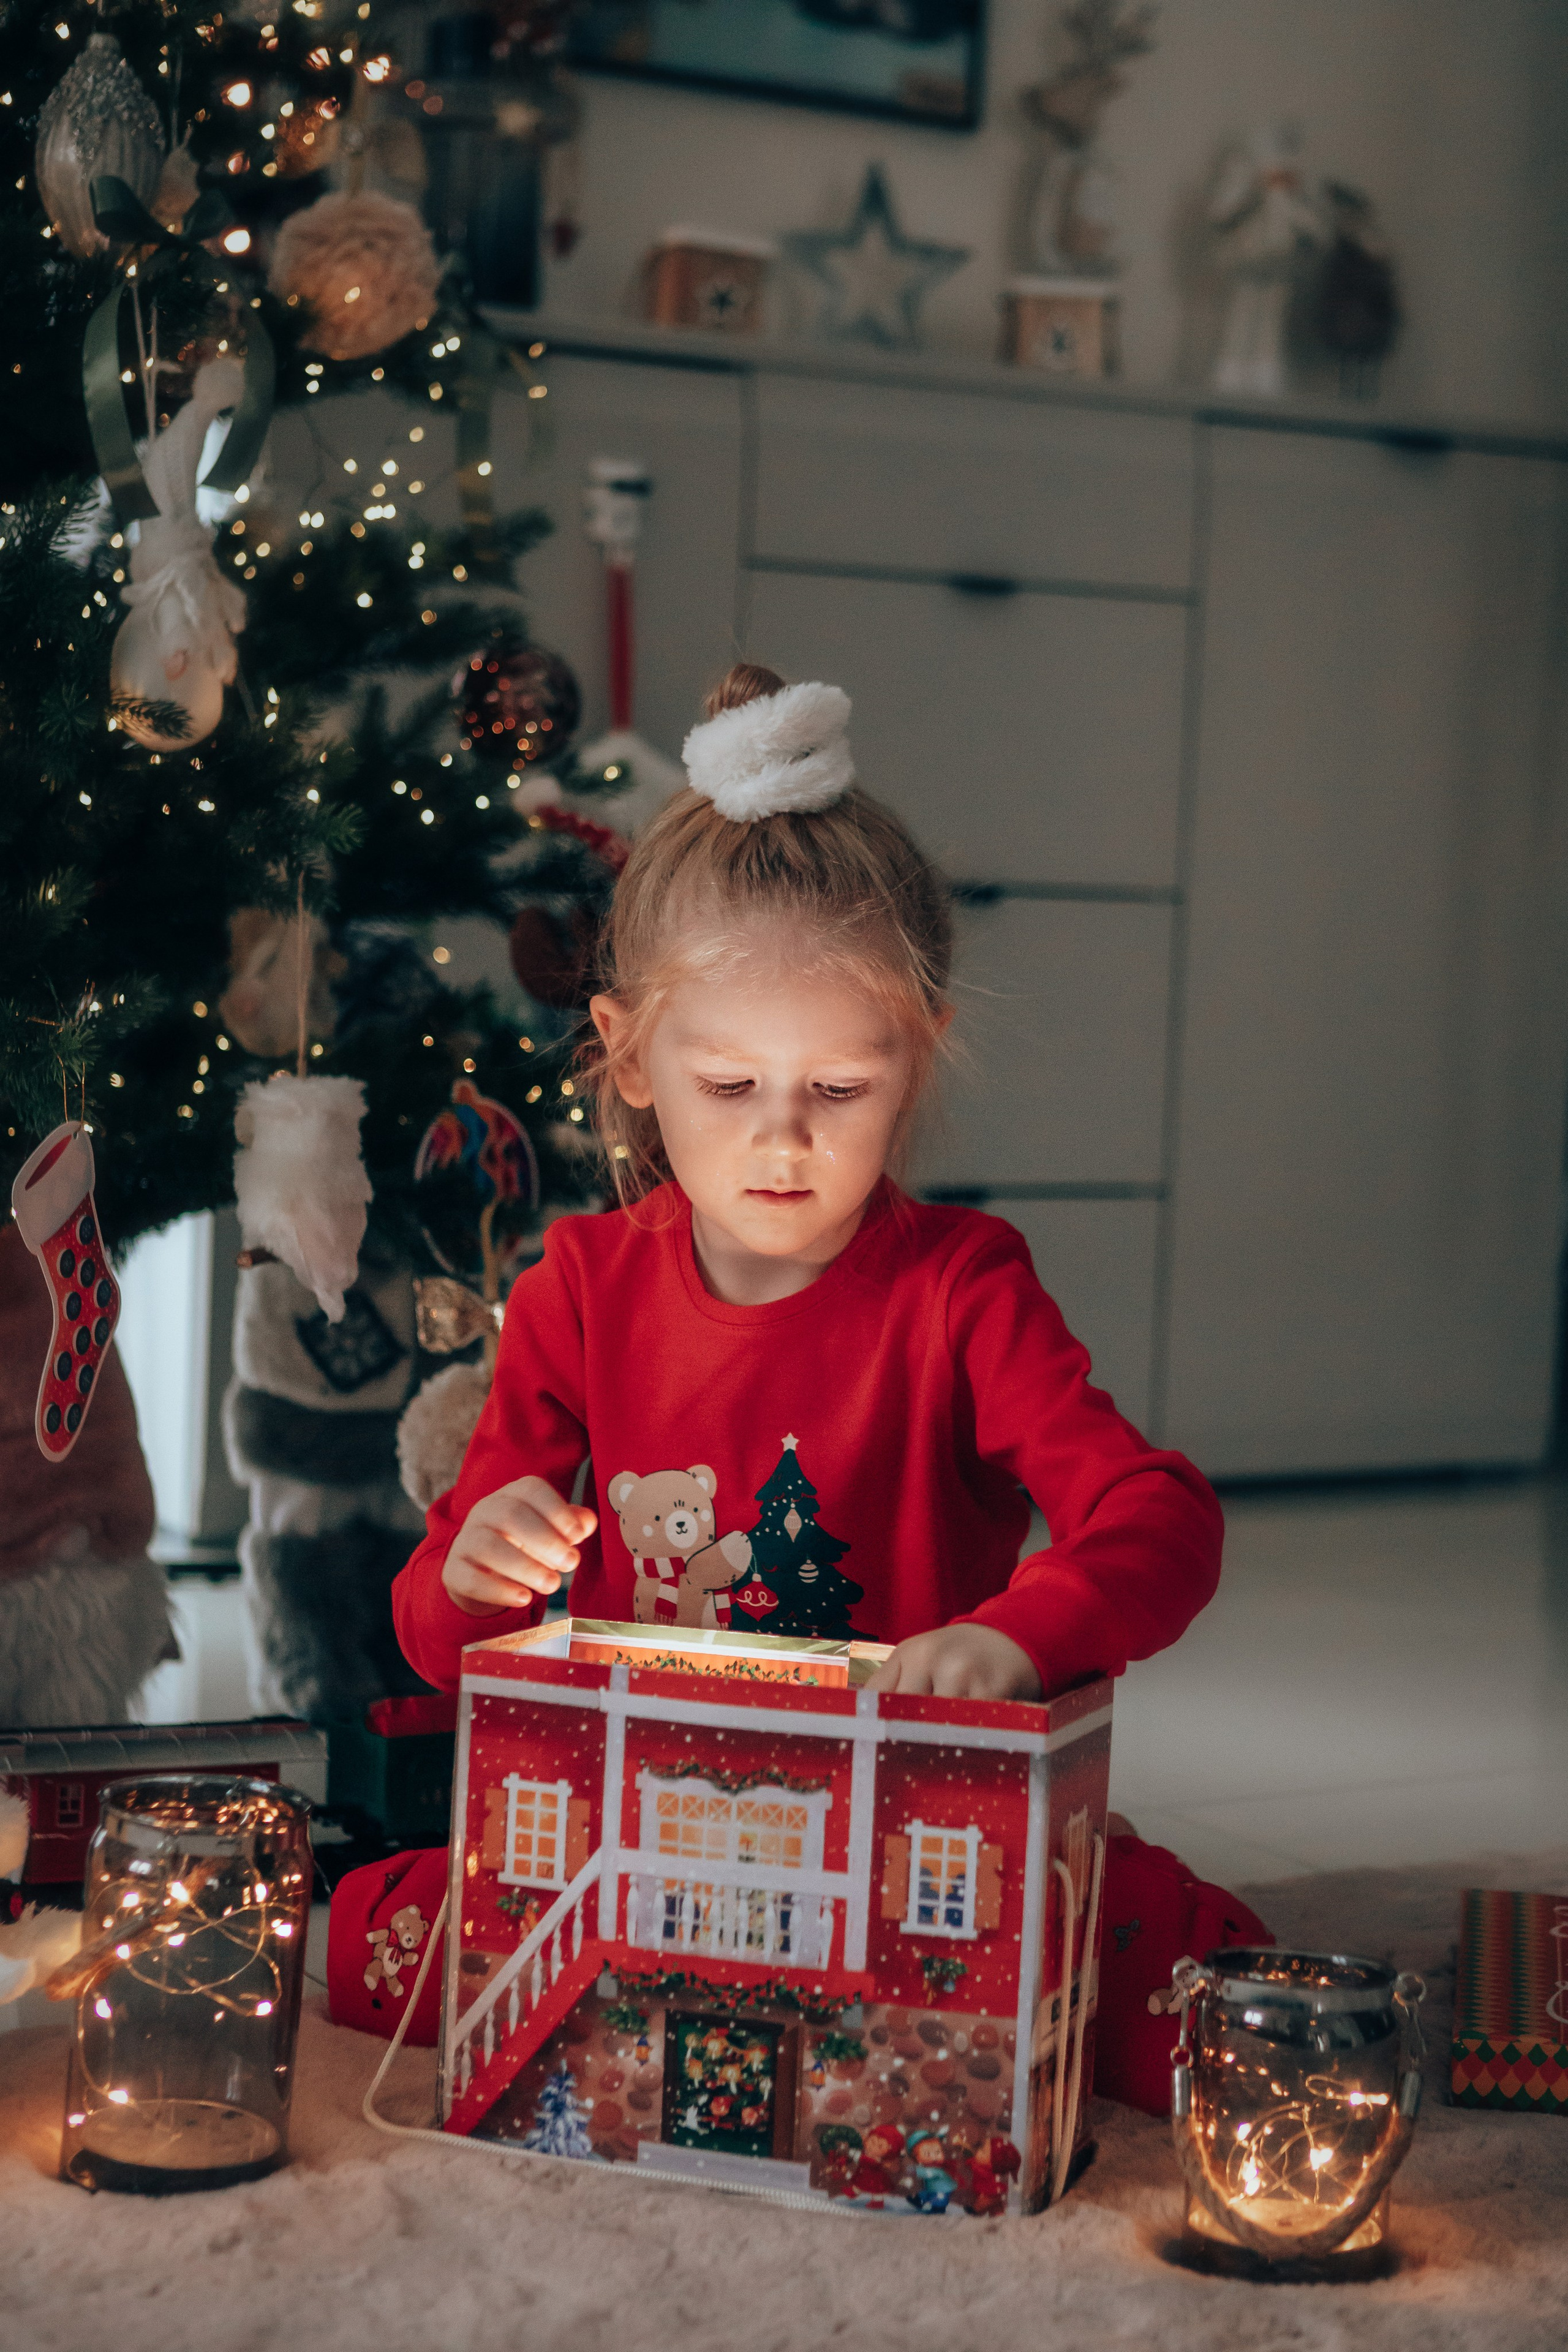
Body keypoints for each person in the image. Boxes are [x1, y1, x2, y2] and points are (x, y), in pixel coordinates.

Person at [393, 662, 1221, 1713]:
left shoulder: (961, 1291)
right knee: (408, 1891)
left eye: (838, 1087)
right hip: (648, 1819)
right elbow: (433, 1630)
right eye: (730, 1085)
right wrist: (474, 1579)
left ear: (913, 1066)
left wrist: (1019, 1635)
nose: (782, 1138)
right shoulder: (580, 1290)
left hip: (891, 1828)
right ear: (631, 1059)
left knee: (1140, 1892)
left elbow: (1161, 1517)